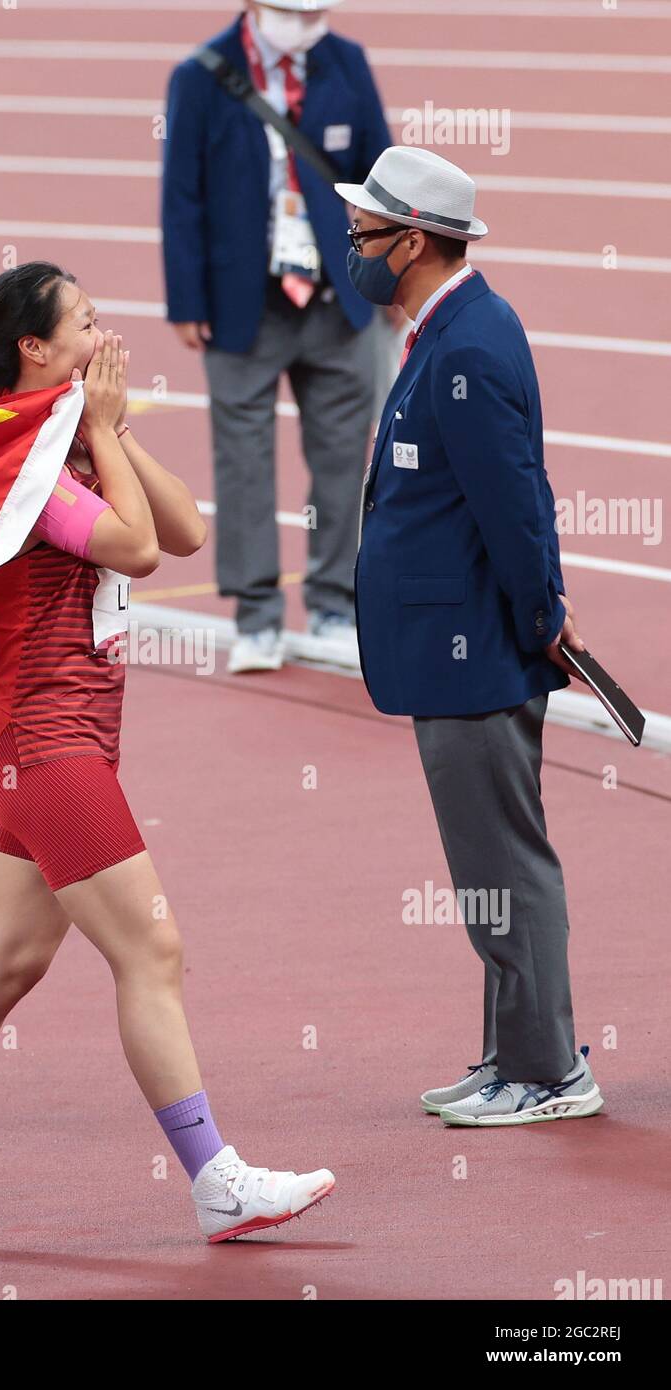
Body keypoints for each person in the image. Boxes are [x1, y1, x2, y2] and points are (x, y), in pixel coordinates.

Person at [0, 263, 335, 1240]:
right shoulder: (14, 467)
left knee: (6, 961)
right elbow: (132, 548)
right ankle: (216, 1179)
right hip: (44, 739)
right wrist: (103, 433)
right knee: (152, 947)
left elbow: (188, 528)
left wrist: (103, 430)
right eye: (84, 321)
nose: (104, 332)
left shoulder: (66, 434)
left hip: (59, 739)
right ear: (35, 347)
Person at [335, 147, 604, 1126]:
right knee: (487, 869)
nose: (352, 250)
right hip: (457, 649)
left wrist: (540, 619)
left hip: (477, 654)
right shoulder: (452, 331)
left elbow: (515, 507)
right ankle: (512, 1053)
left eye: (366, 235)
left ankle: (549, 1072)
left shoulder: (469, 349)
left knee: (505, 867)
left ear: (412, 241)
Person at [162, 0, 392, 673]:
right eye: (297, 10)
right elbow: (181, 194)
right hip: (243, 302)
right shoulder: (201, 75)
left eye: (319, 10)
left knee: (345, 456)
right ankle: (256, 614)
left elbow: (383, 174)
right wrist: (186, 299)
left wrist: (387, 278)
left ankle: (334, 602)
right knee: (243, 460)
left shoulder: (345, 62)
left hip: (337, 297)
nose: (310, 21)